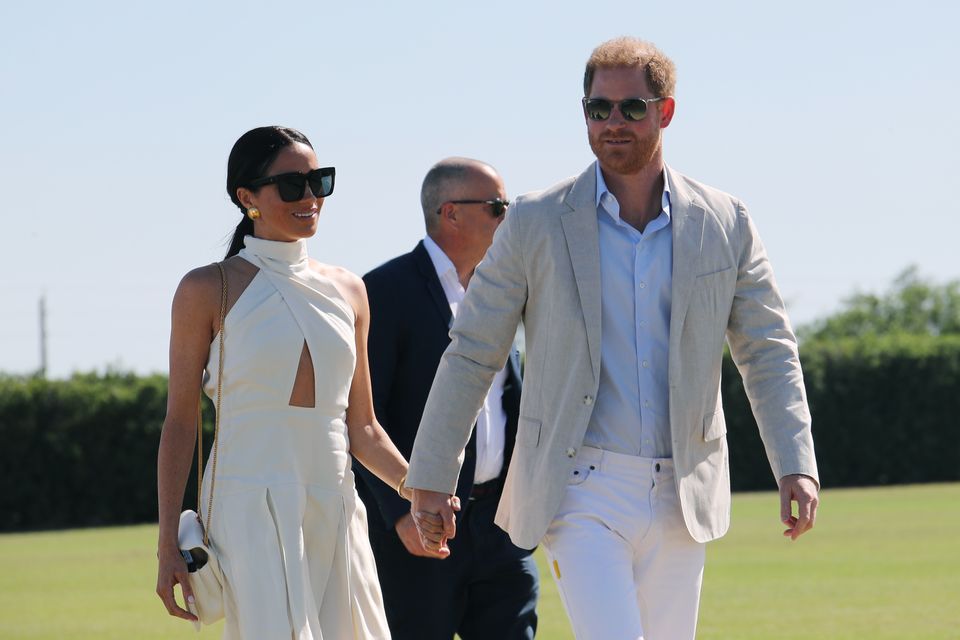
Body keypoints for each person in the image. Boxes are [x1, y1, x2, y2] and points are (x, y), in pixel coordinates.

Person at [407, 38, 820, 640]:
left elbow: (768, 351)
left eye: (631, 108)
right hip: (580, 488)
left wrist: (796, 464)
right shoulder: (534, 220)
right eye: (598, 109)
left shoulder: (726, 221)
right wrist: (433, 476)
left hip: (684, 489)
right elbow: (473, 350)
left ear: (666, 111)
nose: (612, 123)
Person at [156, 125, 410, 639]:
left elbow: (362, 429)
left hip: (335, 500)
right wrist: (166, 546)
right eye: (292, 185)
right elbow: (180, 423)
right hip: (249, 504)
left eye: (320, 181)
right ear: (247, 197)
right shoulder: (208, 288)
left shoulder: (350, 290)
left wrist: (419, 488)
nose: (311, 196)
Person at [355, 158, 539, 639]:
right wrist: (400, 514)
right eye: (499, 207)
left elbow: (510, 404)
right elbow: (359, 420)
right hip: (420, 531)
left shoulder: (503, 292)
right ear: (451, 213)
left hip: (501, 531)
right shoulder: (382, 292)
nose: (509, 219)